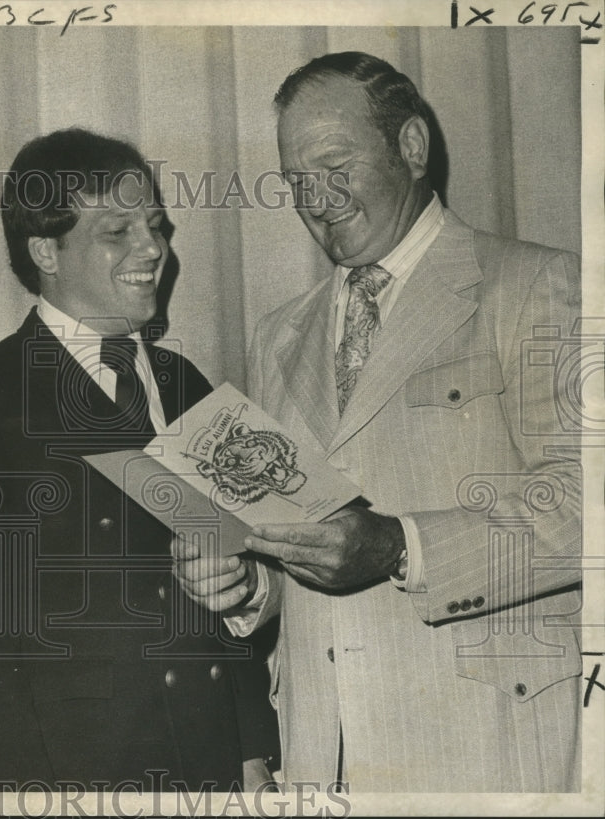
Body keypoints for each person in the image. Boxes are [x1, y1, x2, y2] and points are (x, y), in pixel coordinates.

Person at [173, 52, 582, 792]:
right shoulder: (278, 335)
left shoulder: (535, 284)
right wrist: (241, 580)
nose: (316, 197)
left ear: (413, 147)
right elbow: (292, 545)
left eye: (334, 164)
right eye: (297, 181)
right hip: (322, 761)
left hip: (482, 751)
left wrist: (401, 546)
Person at [0, 127, 279, 792]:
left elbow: (230, 581)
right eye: (118, 231)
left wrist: (252, 748)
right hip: (79, 775)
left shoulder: (187, 382)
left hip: (214, 763)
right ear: (46, 250)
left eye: (156, 226)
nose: (153, 249)